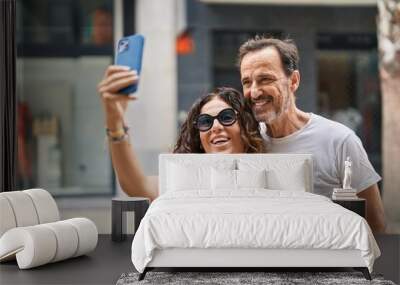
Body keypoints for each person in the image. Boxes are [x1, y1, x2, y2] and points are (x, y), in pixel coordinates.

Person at [238, 36, 386, 233]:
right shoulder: (247, 144)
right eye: (247, 82)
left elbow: (376, 226)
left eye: (265, 79)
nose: (254, 92)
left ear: (294, 81)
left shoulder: (339, 140)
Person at [97, 65, 264, 201]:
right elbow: (136, 185)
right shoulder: (187, 179)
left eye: (226, 117)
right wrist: (115, 123)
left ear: (245, 125)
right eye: (205, 122)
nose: (216, 127)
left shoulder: (269, 169)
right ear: (199, 137)